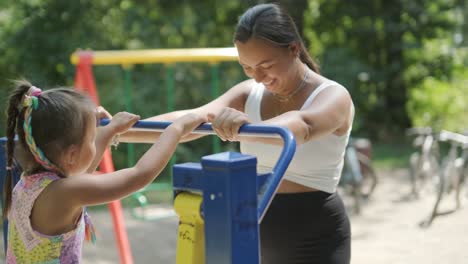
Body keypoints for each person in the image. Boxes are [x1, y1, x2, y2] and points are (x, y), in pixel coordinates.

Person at [122, 3, 353, 264]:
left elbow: (302, 126)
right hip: (251, 230)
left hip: (315, 239)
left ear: (293, 49)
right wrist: (120, 132)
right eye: (248, 67)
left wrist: (242, 129)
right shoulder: (249, 93)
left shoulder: (333, 96)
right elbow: (192, 119)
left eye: (266, 65)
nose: (257, 77)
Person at [3, 81, 206, 263]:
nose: (95, 141)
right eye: (92, 138)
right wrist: (175, 130)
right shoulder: (65, 191)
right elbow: (138, 175)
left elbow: (81, 170)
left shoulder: (31, 182)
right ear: (71, 155)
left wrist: (108, 132)